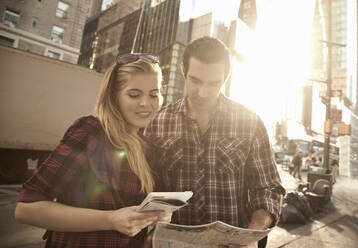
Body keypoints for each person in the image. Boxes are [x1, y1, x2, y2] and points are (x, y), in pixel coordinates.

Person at [15, 53, 172, 247]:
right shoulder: (89, 132)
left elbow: (151, 216)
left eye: (154, 94)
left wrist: (156, 227)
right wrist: (110, 219)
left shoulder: (150, 149)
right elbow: (26, 209)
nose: (146, 103)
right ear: (114, 96)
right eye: (134, 94)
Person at [143, 37, 285, 248]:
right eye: (195, 81)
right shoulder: (158, 123)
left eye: (214, 83)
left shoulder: (250, 122)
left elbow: (269, 188)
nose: (203, 92)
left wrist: (253, 233)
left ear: (226, 78)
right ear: (183, 70)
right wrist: (150, 229)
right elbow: (149, 188)